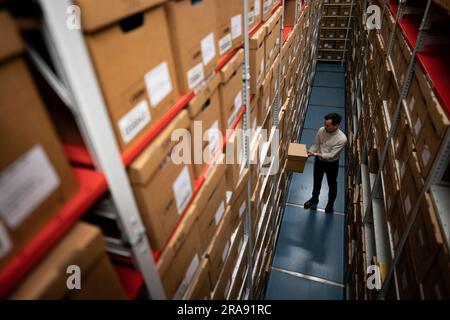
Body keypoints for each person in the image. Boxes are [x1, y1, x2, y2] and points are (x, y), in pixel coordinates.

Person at [304, 113, 347, 213]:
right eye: (325, 124)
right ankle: (314, 198)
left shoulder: (342, 139)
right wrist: (309, 152)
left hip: (331, 164)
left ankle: (330, 204)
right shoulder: (321, 130)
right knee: (316, 181)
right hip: (319, 161)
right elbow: (316, 144)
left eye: (328, 125)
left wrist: (314, 154)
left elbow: (331, 155)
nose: (325, 127)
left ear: (336, 126)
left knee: (332, 184)